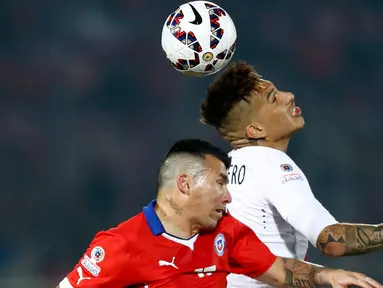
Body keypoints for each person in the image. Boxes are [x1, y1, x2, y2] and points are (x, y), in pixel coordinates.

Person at [57, 139, 380, 288]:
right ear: (184, 184)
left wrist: (328, 276)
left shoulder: (227, 232)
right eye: (220, 184)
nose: (228, 197)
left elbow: (280, 271)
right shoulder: (121, 245)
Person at [200, 61, 383, 287]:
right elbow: (332, 240)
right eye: (273, 98)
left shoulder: (223, 170)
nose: (289, 96)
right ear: (255, 130)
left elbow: (259, 261)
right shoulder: (270, 162)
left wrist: (326, 274)